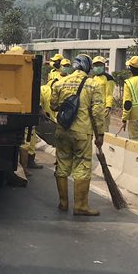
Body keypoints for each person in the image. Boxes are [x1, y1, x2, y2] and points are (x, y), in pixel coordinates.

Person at [50, 54, 107, 215]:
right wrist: (100, 134)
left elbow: (53, 106)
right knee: (82, 167)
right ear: (87, 67)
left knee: (62, 165)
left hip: (62, 130)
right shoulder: (93, 85)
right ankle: (81, 206)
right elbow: (97, 112)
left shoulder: (60, 83)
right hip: (82, 132)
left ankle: (63, 203)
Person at [90, 56, 115, 127]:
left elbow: (109, 94)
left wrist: (108, 107)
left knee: (101, 131)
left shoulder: (108, 78)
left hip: (103, 109)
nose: (98, 67)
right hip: (92, 108)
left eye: (100, 65)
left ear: (104, 66)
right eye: (96, 65)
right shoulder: (93, 78)